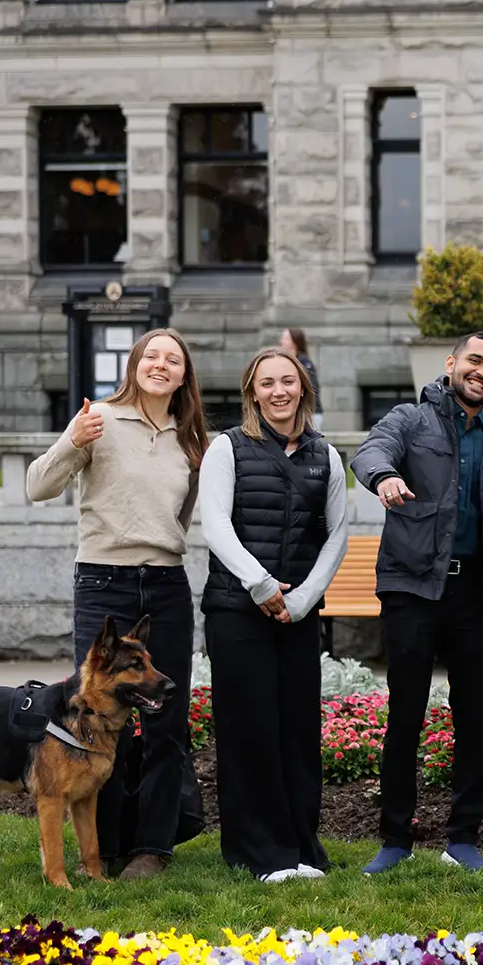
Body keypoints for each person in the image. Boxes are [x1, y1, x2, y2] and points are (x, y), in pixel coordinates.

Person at [27, 327, 209, 880]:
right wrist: (73, 440)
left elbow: (178, 520)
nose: (161, 365)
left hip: (165, 585)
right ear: (134, 365)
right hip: (103, 582)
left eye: (172, 359)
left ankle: (152, 848)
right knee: (99, 718)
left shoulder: (191, 438)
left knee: (164, 719)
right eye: (151, 355)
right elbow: (38, 485)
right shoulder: (98, 419)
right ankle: (101, 847)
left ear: (183, 375)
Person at [349, 332, 483, 875]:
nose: (482, 372)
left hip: (473, 594)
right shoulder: (410, 418)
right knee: (406, 713)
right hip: (412, 587)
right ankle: (395, 837)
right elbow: (368, 452)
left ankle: (462, 836)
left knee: (473, 716)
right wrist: (385, 476)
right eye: (474, 361)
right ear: (451, 363)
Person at [197, 348, 349, 881]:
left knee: (298, 733)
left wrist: (304, 597)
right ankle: (260, 853)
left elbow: (337, 535)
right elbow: (214, 523)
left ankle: (304, 848)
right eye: (268, 383)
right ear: (252, 393)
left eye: (289, 381)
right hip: (237, 611)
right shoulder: (227, 448)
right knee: (249, 730)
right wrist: (260, 584)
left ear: (303, 390)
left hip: (298, 615)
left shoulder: (325, 455)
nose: (279, 391)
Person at [279, 328, 321, 428]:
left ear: (294, 341)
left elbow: (311, 389)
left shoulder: (303, 363)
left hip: (308, 413)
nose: (281, 341)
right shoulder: (288, 362)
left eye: (285, 338)